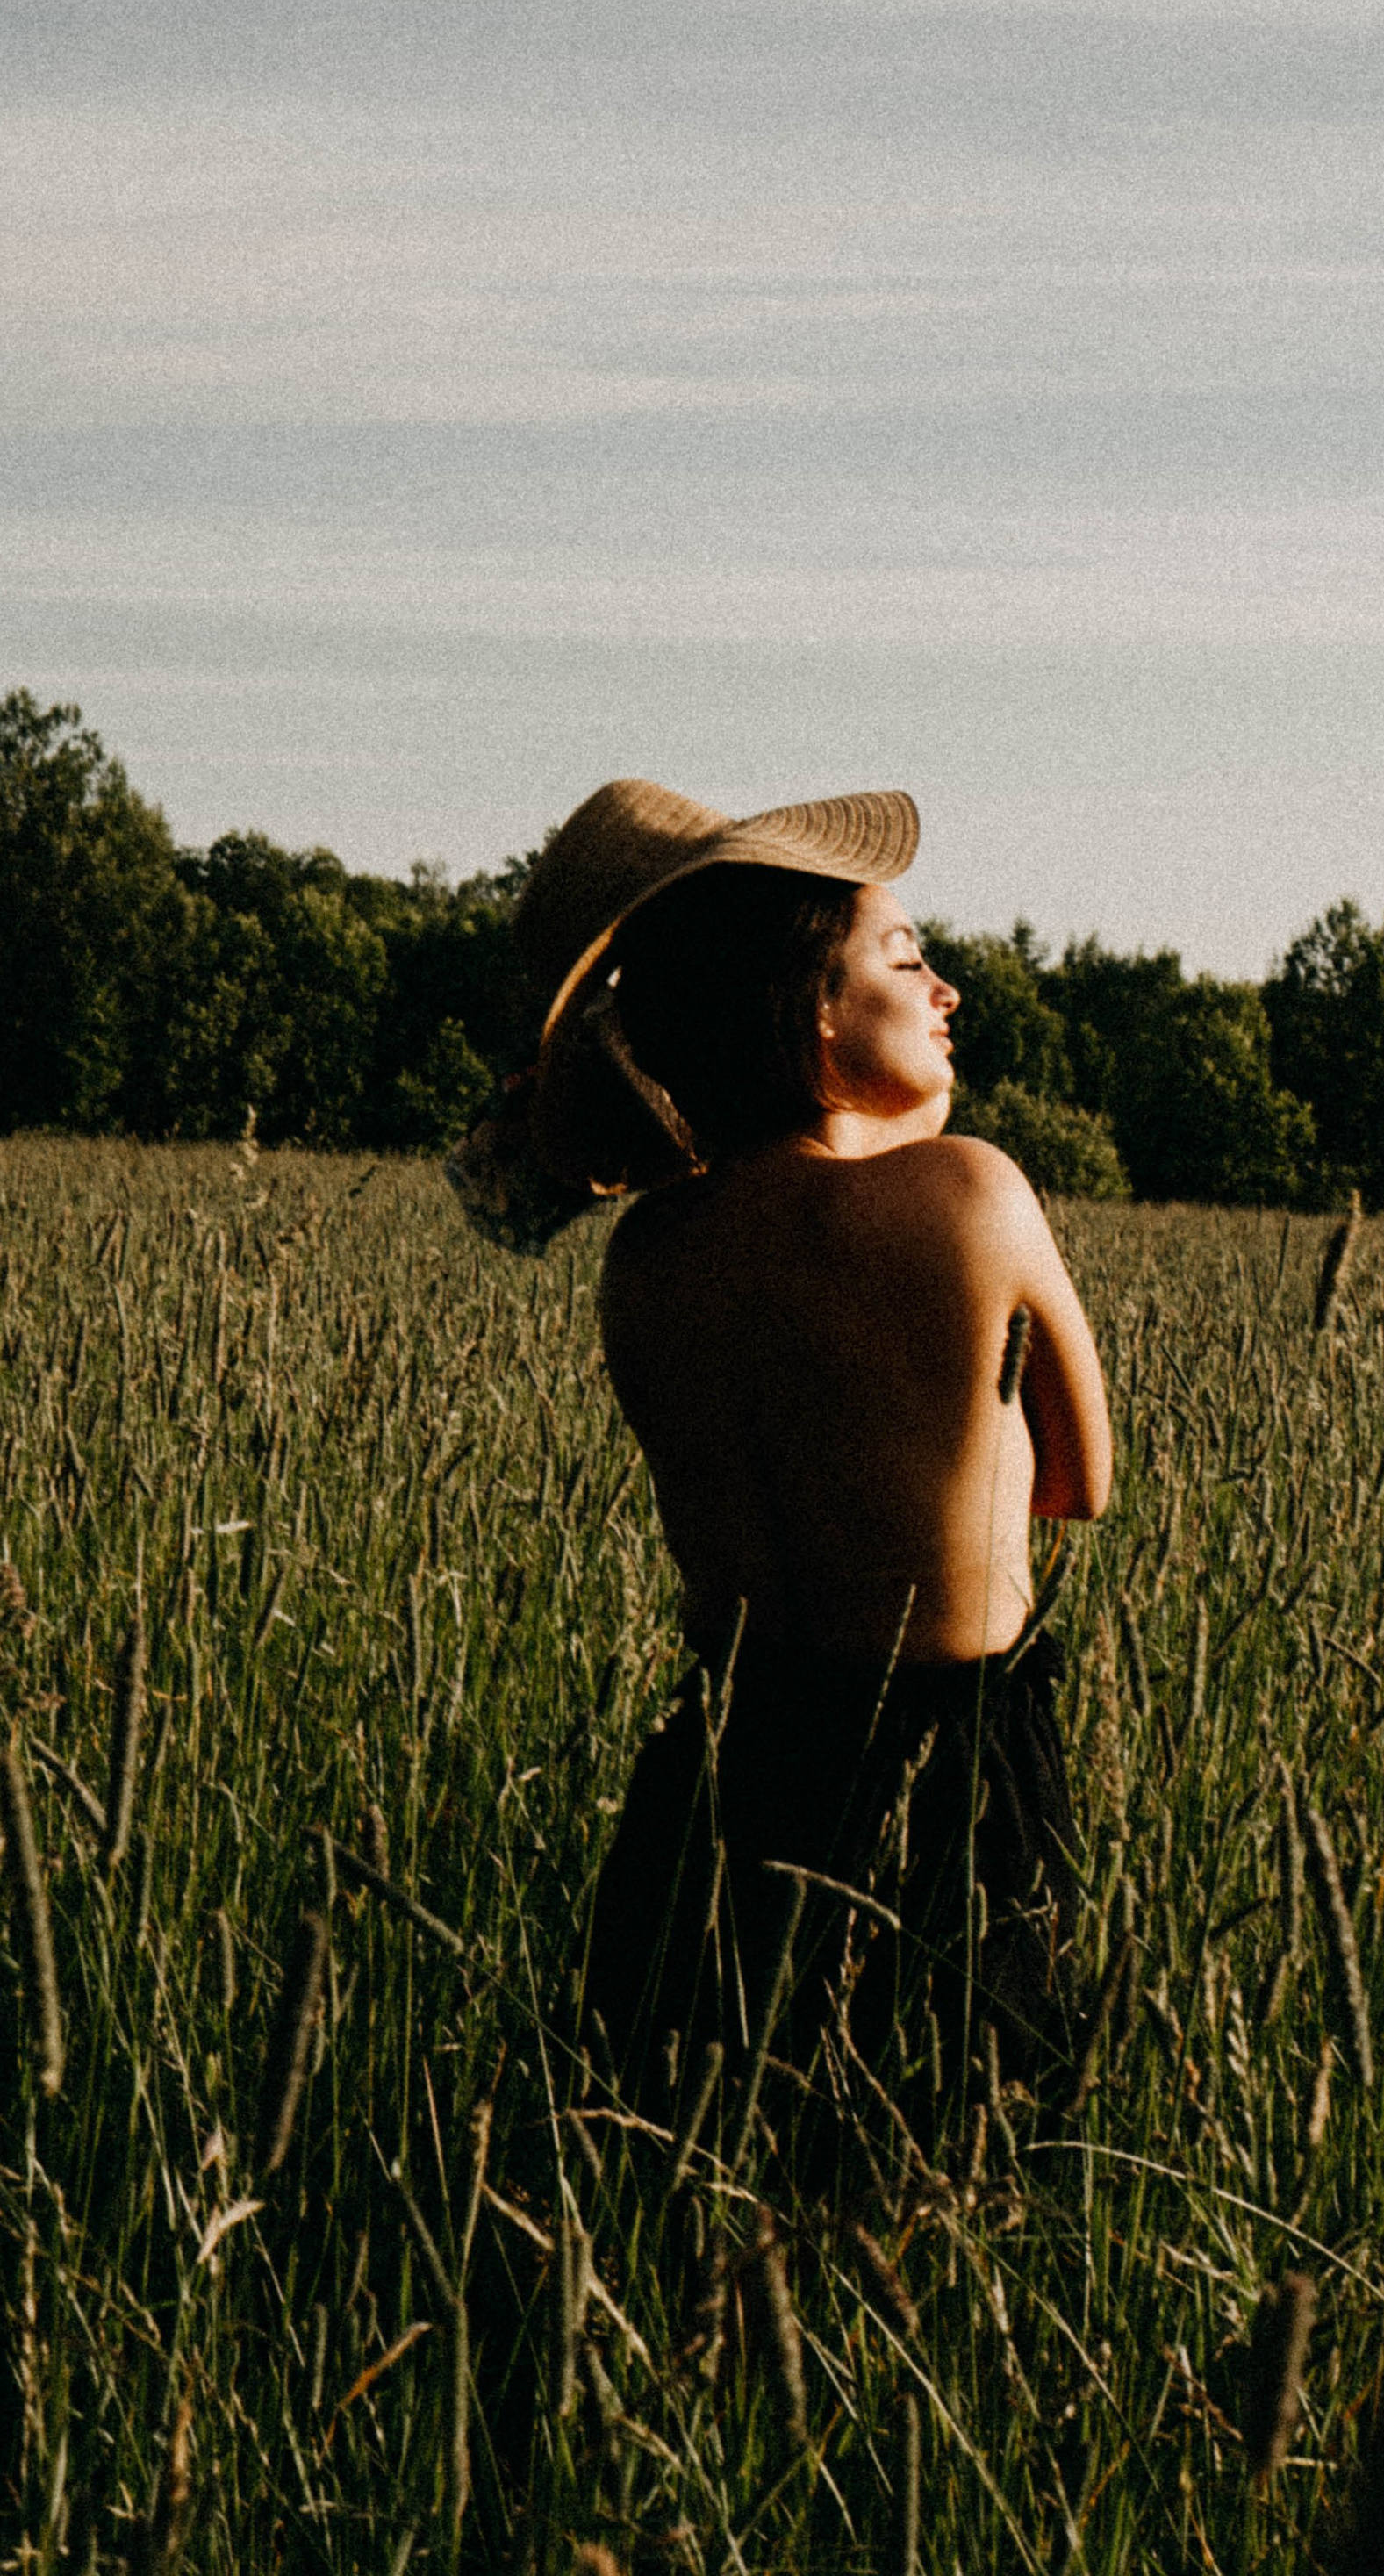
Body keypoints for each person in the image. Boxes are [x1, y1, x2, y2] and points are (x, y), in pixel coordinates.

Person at [447, 776, 1114, 2120]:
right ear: (814, 1008)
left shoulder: (648, 1255)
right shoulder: (974, 1192)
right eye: (907, 960)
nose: (949, 995)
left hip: (727, 1775)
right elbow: (1077, 1486)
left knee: (693, 2176)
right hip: (948, 1785)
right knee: (934, 2190)